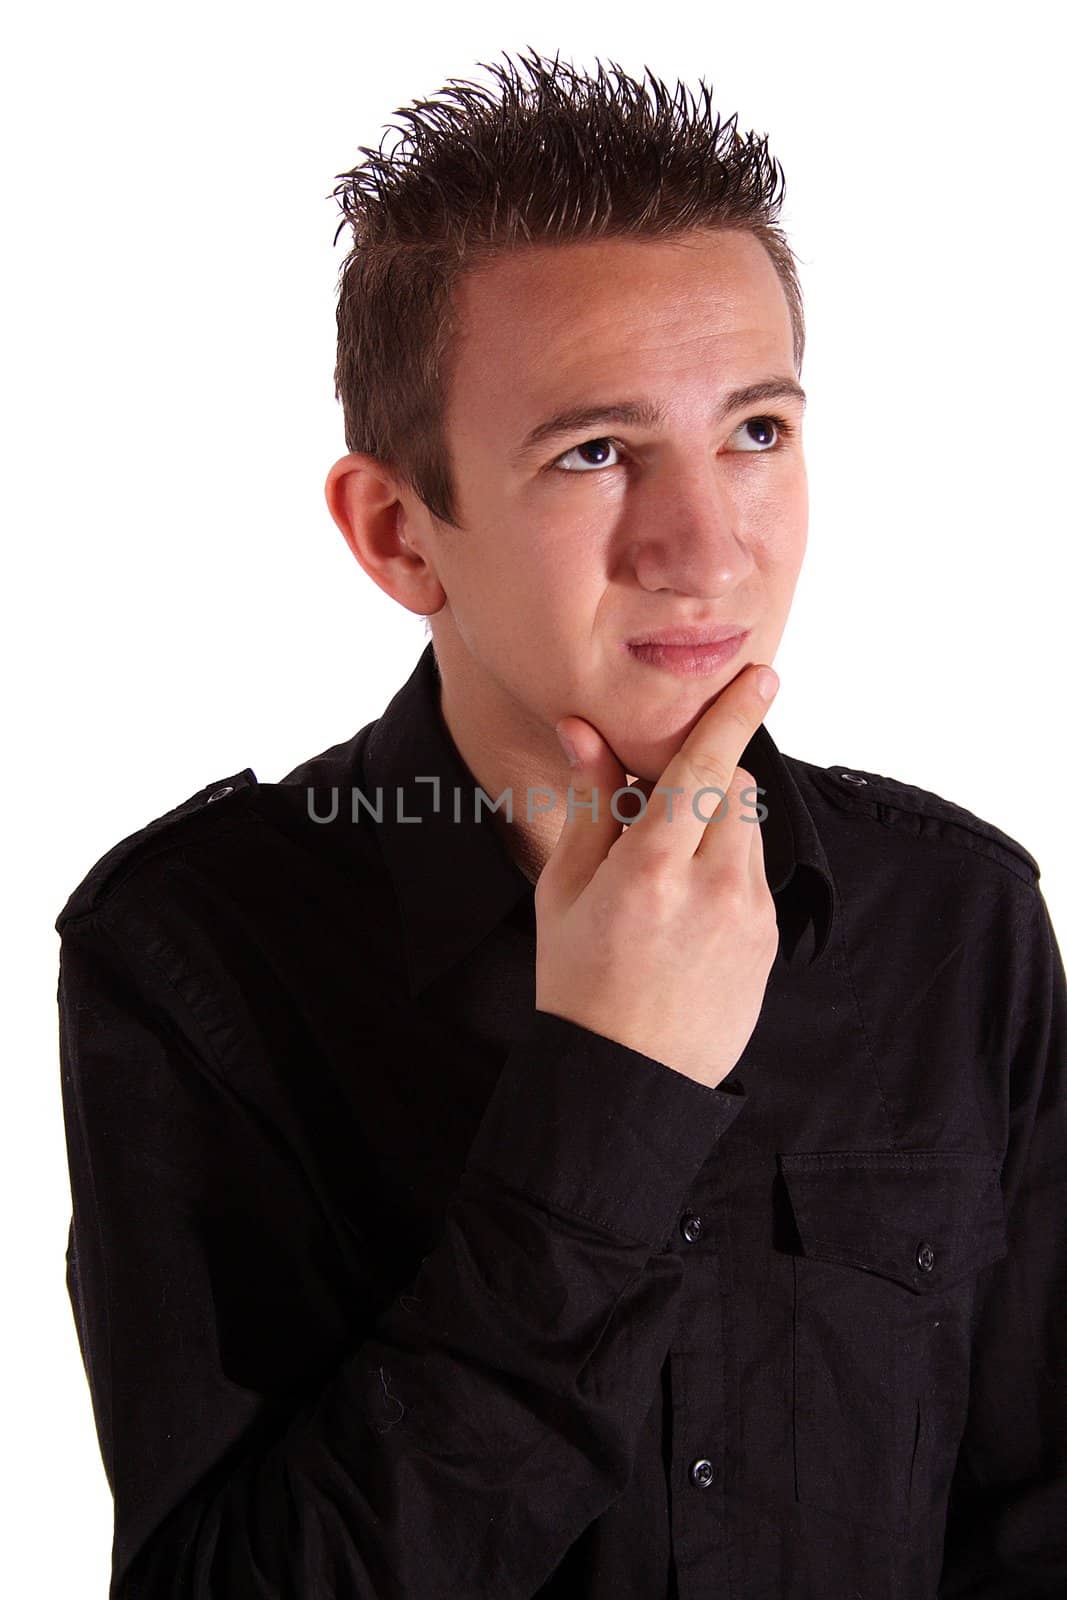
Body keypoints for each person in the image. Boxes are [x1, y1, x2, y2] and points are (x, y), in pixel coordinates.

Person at [55, 47, 1066, 1599]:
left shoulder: (962, 923)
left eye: (757, 433)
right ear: (400, 534)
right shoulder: (191, 957)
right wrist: (615, 1092)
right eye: (595, 452)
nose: (705, 548)